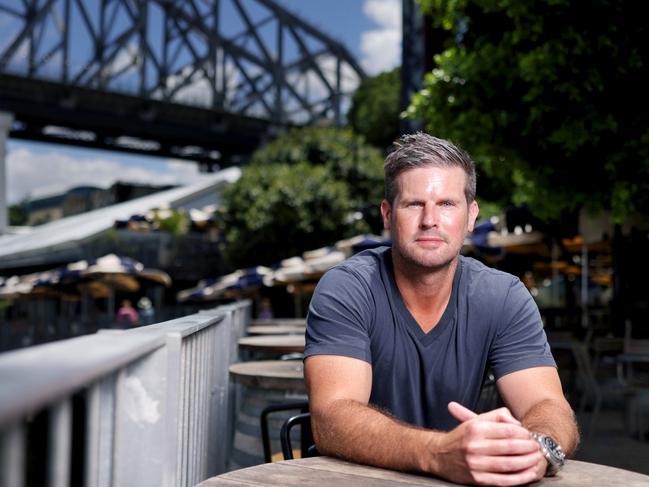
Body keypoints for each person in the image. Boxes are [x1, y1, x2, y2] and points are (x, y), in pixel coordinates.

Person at [304, 133, 579, 485]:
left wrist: (537, 448)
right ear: (388, 215)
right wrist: (438, 453)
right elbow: (332, 418)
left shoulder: (503, 295)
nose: (430, 219)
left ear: (470, 216)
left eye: (447, 204)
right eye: (414, 204)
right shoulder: (348, 288)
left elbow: (548, 404)